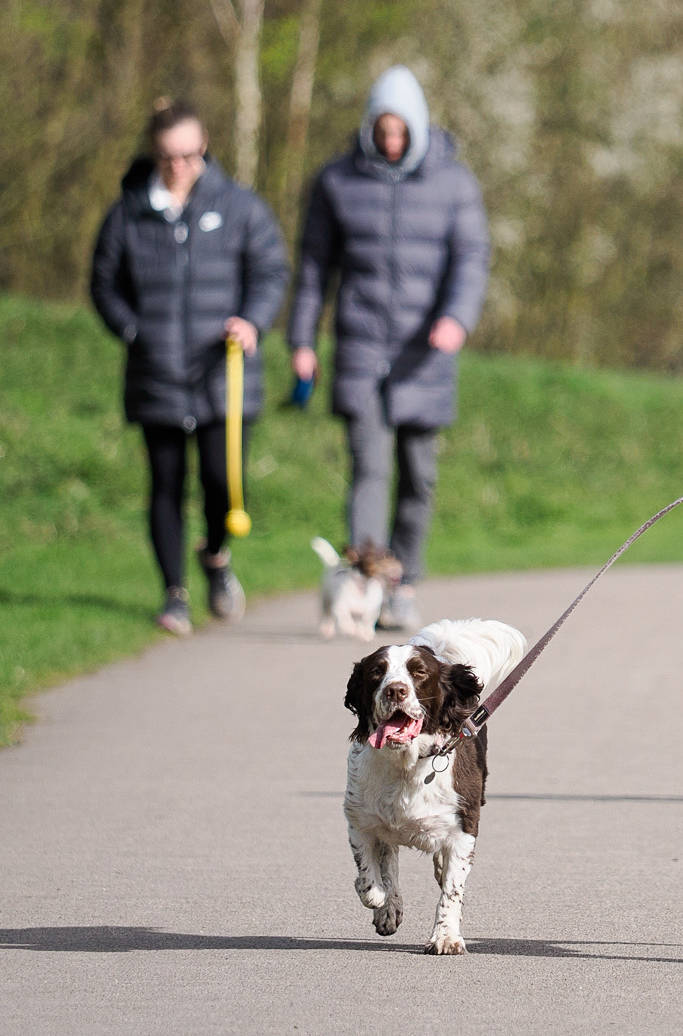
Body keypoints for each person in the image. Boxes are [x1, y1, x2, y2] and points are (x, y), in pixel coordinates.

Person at [288, 66, 489, 635]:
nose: (391, 140)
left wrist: (456, 318)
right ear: (369, 126)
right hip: (360, 350)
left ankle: (405, 585)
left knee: (418, 476)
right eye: (382, 130)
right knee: (369, 471)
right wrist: (302, 340)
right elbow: (313, 269)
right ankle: (367, 587)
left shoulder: (454, 184)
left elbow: (471, 260)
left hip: (424, 355)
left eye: (401, 130)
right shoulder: (337, 182)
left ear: (418, 127)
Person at [89, 99, 290, 635]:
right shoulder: (128, 213)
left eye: (188, 155)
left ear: (204, 148)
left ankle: (216, 556)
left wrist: (252, 321)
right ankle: (174, 594)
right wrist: (133, 331)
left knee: (224, 484)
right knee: (166, 485)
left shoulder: (241, 207)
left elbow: (271, 271)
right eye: (168, 157)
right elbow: (104, 284)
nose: (179, 166)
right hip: (156, 373)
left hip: (223, 375)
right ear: (154, 153)